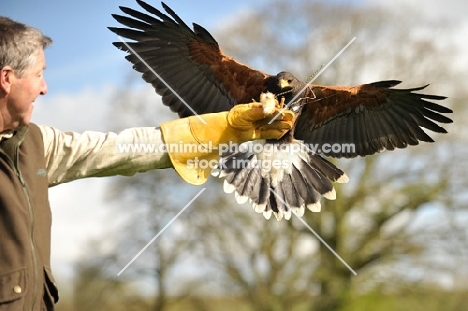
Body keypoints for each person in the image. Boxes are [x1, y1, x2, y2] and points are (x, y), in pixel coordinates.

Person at [0, 17, 294, 310]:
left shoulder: (36, 145)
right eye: (39, 75)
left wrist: (227, 128)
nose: (45, 89)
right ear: (7, 78)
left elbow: (120, 150)